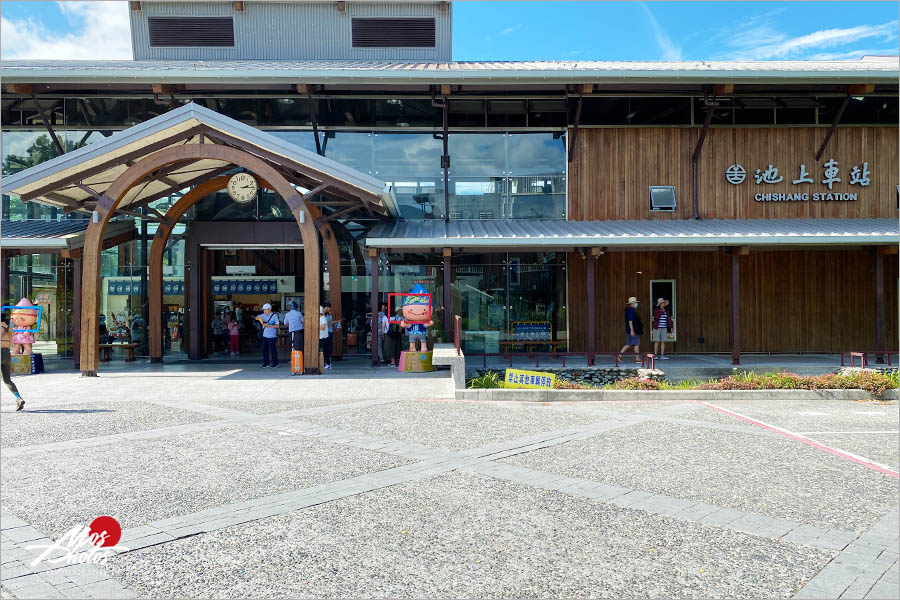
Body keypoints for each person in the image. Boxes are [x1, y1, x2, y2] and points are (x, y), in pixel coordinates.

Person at [1, 319, 25, 411]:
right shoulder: (9, 329)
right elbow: (12, 343)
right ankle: (18, 398)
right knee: (7, 379)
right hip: (6, 353)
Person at [618, 296, 643, 364]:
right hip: (633, 329)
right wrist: (632, 330)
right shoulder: (631, 310)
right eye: (635, 303)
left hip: (630, 329)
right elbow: (630, 321)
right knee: (636, 343)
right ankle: (637, 358)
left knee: (629, 343)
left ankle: (619, 355)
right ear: (632, 303)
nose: (636, 304)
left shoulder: (628, 309)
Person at [257, 303, 280, 368]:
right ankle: (266, 363)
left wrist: (267, 325)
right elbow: (257, 317)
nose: (264, 311)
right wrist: (258, 318)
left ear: (269, 309)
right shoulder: (263, 315)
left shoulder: (274, 316)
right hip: (264, 336)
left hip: (272, 336)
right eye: (263, 310)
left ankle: (275, 364)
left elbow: (277, 326)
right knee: (264, 350)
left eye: (265, 309)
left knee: (273, 350)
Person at [318, 306, 331, 370]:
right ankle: (322, 363)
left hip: (324, 337)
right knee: (320, 351)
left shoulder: (323, 318)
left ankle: (328, 364)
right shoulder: (318, 318)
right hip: (319, 337)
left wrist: (316, 325)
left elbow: (323, 328)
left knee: (325, 352)